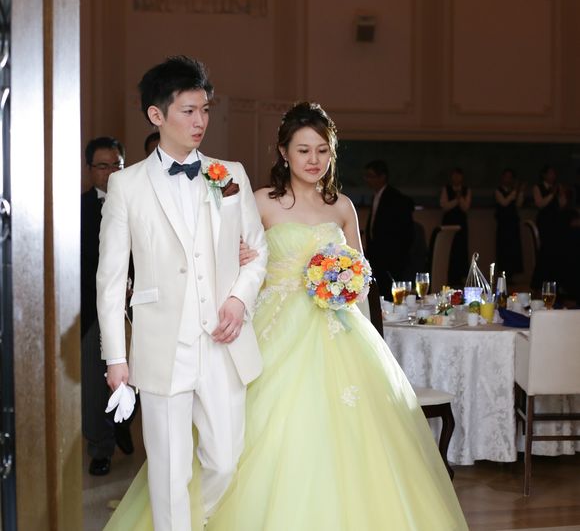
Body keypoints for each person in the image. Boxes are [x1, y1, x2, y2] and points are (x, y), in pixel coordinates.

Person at [105, 102, 468, 530]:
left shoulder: (342, 207)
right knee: (248, 437)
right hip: (274, 326)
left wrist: (346, 281)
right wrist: (239, 256)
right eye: (303, 150)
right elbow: (223, 259)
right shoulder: (260, 201)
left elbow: (361, 272)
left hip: (338, 329)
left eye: (322, 151)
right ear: (284, 152)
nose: (314, 160)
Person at [98, 56, 268, 530]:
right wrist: (116, 358)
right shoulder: (126, 185)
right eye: (188, 111)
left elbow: (258, 251)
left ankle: (193, 521)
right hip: (161, 344)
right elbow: (110, 279)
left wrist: (238, 298)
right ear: (157, 115)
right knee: (169, 470)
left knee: (225, 461)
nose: (200, 121)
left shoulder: (230, 174)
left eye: (205, 110)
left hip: (222, 340)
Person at [81, 136, 136, 476]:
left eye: (117, 164)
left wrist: (133, 285)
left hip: (137, 306)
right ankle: (100, 447)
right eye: (103, 166)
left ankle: (123, 423)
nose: (111, 171)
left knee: (138, 374)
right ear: (90, 169)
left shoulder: (136, 201)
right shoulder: (78, 209)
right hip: (92, 308)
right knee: (93, 382)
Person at [364, 159, 415, 296]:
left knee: (390, 293)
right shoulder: (376, 196)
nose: (368, 180)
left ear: (382, 177)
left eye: (371, 176)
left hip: (391, 258)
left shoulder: (396, 198)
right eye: (367, 176)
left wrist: (396, 256)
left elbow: (405, 231)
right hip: (377, 256)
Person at [531, 165, 566, 289]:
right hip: (545, 222)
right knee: (546, 250)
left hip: (556, 221)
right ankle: (540, 282)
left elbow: (562, 205)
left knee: (557, 250)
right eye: (550, 173)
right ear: (544, 175)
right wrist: (552, 193)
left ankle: (556, 281)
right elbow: (540, 203)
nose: (553, 176)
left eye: (554, 173)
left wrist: (561, 194)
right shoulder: (537, 187)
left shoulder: (557, 187)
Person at [440, 167, 471, 286]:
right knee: (450, 249)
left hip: (461, 224)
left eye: (459, 175)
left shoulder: (466, 190)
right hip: (449, 223)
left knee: (461, 249)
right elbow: (444, 206)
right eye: (454, 175)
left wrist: (460, 198)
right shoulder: (446, 189)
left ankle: (460, 277)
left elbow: (465, 207)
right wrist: (455, 200)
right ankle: (449, 276)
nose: (457, 178)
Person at [494, 168, 524, 278]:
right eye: (506, 177)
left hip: (513, 224)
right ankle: (503, 273)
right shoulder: (498, 191)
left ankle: (511, 274)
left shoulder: (514, 191)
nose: (508, 179)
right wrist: (514, 191)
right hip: (503, 224)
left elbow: (519, 204)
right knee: (503, 249)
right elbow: (504, 202)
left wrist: (520, 192)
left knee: (513, 249)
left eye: (510, 177)